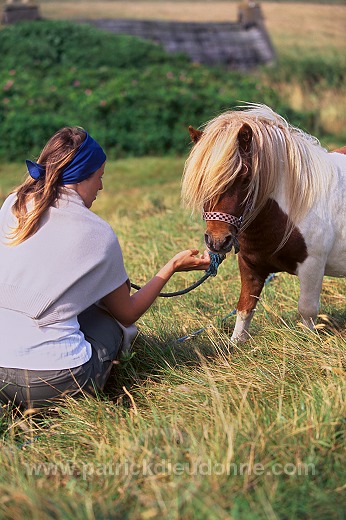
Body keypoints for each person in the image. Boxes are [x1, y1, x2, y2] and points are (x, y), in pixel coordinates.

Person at [0, 127, 210, 409]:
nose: (100, 187)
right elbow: (128, 312)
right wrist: (171, 267)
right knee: (111, 323)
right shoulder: (98, 234)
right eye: (99, 177)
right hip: (53, 382)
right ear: (82, 177)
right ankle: (99, 385)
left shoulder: (14, 202)